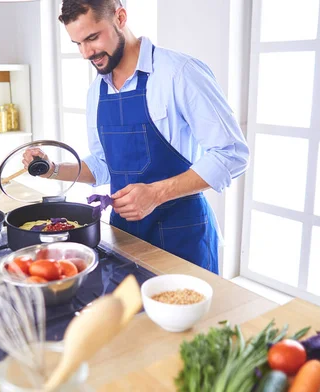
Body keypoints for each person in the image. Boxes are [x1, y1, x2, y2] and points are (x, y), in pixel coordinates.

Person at [23, 0, 249, 274]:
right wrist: (51, 170)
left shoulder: (179, 73)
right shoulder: (97, 91)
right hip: (126, 236)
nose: (86, 53)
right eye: (78, 43)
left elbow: (232, 154)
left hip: (184, 235)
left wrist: (155, 194)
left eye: (92, 38)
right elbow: (104, 165)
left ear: (120, 17)